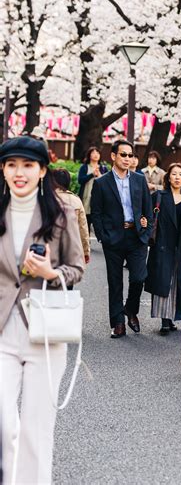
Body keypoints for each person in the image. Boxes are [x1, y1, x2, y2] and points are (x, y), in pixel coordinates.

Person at [0, 136, 84, 485]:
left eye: (27, 165)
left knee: (37, 429)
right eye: (11, 165)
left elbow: (77, 267)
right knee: (4, 425)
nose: (19, 173)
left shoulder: (61, 212)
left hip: (44, 332)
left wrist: (51, 273)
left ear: (42, 171)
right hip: (2, 331)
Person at [91, 139, 153, 338]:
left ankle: (131, 309)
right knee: (115, 281)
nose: (127, 158)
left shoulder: (138, 179)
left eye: (130, 155)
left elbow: (147, 208)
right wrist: (103, 237)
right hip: (113, 238)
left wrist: (146, 229)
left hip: (136, 236)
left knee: (139, 277)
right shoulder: (101, 183)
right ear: (113, 156)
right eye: (123, 155)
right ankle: (118, 322)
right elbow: (97, 213)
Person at [145, 163, 181, 335]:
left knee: (178, 284)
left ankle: (171, 317)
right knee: (165, 282)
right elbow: (148, 216)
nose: (177, 177)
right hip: (163, 245)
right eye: (174, 174)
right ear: (168, 177)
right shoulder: (159, 196)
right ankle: (165, 320)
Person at [53, 168, 90, 265]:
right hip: (71, 248)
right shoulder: (76, 200)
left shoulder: (46, 200)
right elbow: (83, 230)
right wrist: (85, 252)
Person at [77, 146, 107, 231]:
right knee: (85, 224)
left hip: (99, 199)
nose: (96, 155)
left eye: (97, 153)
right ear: (89, 155)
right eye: (93, 153)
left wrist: (99, 176)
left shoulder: (103, 168)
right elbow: (80, 180)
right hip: (86, 198)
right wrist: (92, 175)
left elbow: (107, 183)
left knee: (99, 224)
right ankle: (86, 242)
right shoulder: (84, 167)